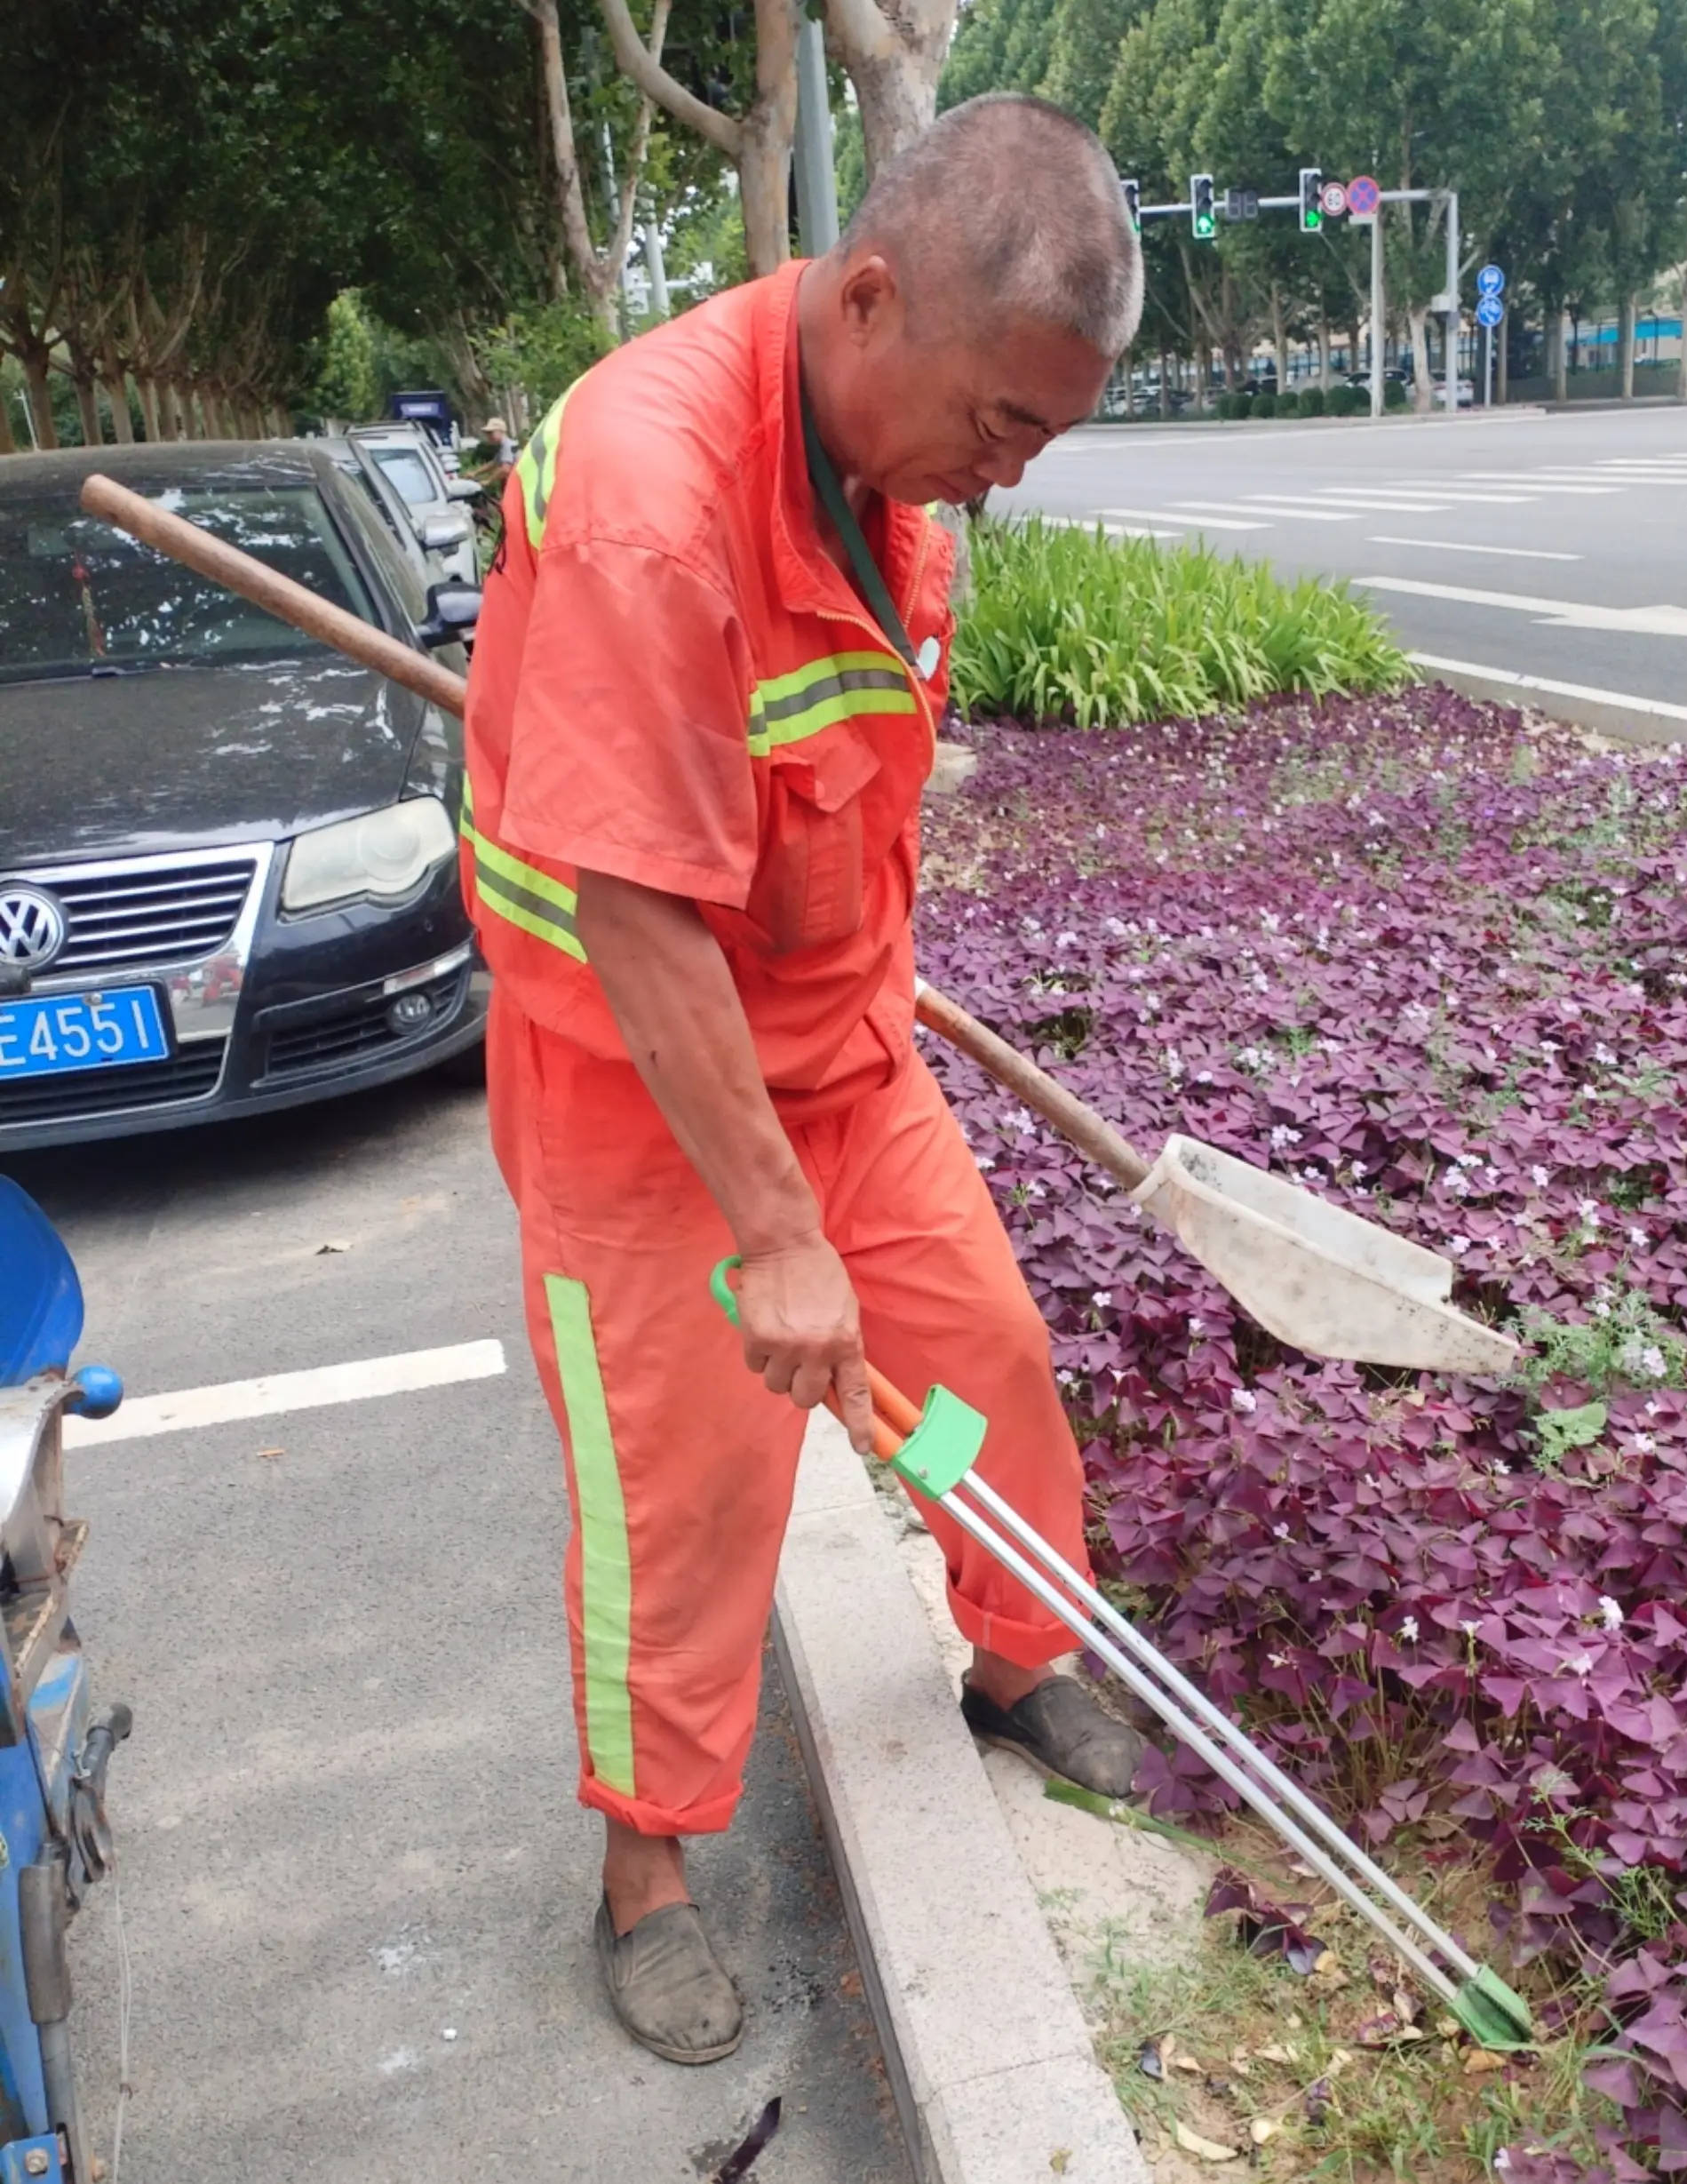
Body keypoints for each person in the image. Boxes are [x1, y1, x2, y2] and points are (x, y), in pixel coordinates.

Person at [458, 92, 1147, 2066]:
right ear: (867, 299)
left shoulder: (893, 474)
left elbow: (828, 784)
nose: (1000, 482)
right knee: (687, 1488)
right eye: (999, 425)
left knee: (989, 1355)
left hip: (839, 1045)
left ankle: (1017, 1661)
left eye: (1039, 440)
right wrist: (772, 1231)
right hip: (637, 1079)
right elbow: (642, 913)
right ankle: (647, 1866)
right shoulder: (650, 494)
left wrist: (860, 1000)